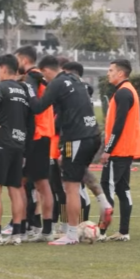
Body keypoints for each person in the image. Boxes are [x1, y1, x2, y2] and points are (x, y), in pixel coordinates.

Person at [25, 55, 103, 245]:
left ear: (45, 71)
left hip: (77, 138)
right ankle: (98, 207)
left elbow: (38, 107)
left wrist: (30, 85)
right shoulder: (73, 79)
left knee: (71, 187)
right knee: (75, 182)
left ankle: (71, 234)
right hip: (92, 135)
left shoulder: (57, 83)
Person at [0, 54, 34, 246]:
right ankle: (17, 234)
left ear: (3, 68)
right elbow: (30, 118)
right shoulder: (24, 90)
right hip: (18, 144)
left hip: (1, 143)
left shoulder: (1, 87)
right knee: (15, 188)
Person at [60, 61, 114, 230]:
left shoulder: (72, 91)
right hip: (91, 137)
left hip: (75, 138)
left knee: (69, 183)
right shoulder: (84, 91)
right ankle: (103, 202)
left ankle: (69, 227)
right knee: (80, 176)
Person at [98, 58, 140, 242]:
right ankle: (123, 232)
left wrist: (108, 149)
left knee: (106, 189)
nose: (108, 73)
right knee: (123, 190)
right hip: (125, 150)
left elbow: (119, 124)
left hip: (118, 151)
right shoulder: (126, 91)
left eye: (111, 70)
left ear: (121, 73)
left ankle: (101, 231)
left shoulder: (124, 93)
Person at [15, 46, 55, 240]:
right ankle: (46, 229)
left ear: (23, 60)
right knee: (41, 183)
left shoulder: (31, 78)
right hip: (45, 134)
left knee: (21, 183)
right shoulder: (42, 79)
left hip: (36, 135)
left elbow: (33, 107)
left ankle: (22, 228)